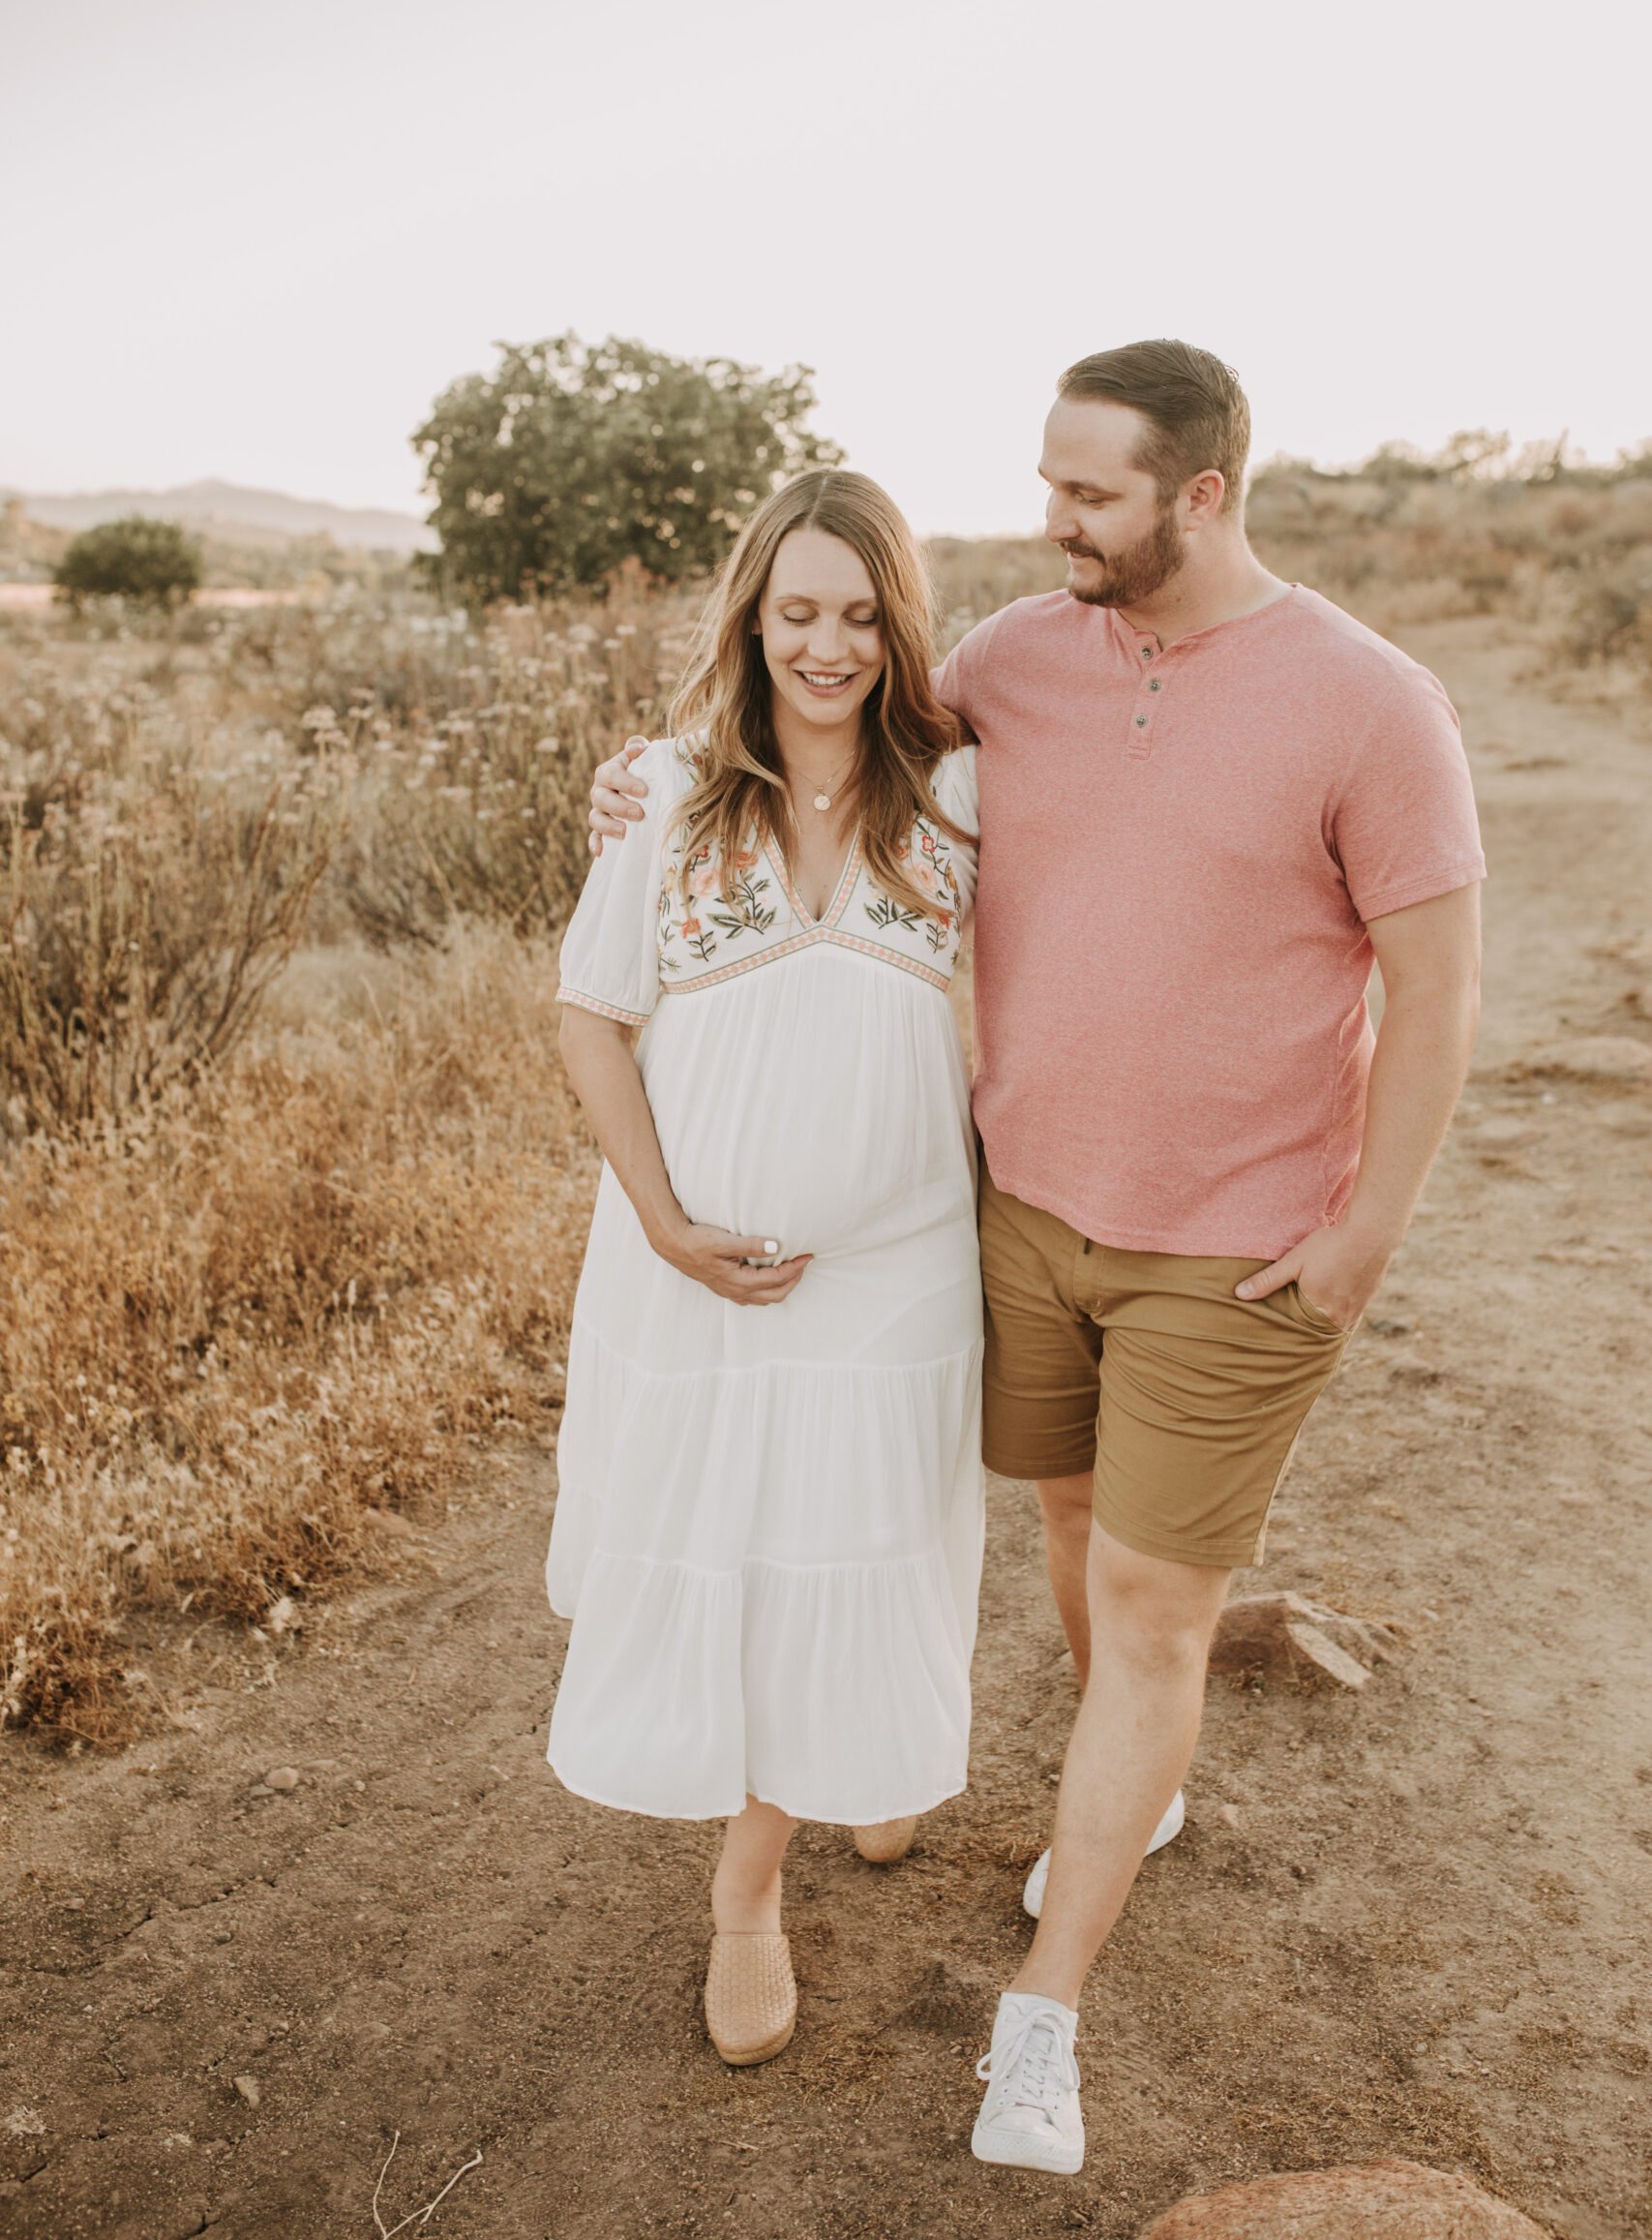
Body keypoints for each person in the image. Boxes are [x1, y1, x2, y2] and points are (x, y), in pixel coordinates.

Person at [586, 339, 1485, 2174]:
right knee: (1053, 1530)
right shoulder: (1012, 664)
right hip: (1022, 1222)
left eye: (1089, 494)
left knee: (1151, 1611)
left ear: (1202, 493)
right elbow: (818, 731)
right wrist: (641, 776)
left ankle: (1042, 2017)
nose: (1051, 518)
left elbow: (1441, 991)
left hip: (1230, 1254)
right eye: (1046, 483)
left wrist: (1361, 1236)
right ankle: (1057, 1782)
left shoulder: (1374, 706)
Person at [547, 467, 986, 2071]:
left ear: (900, 625)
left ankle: (823, 1794)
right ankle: (750, 1904)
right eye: (798, 610)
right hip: (696, 1261)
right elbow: (594, 1016)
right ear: (752, 615)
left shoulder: (960, 793)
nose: (829, 645)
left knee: (855, 1543)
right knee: (740, 1552)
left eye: (864, 615)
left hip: (895, 1266)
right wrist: (664, 1221)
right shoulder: (662, 790)